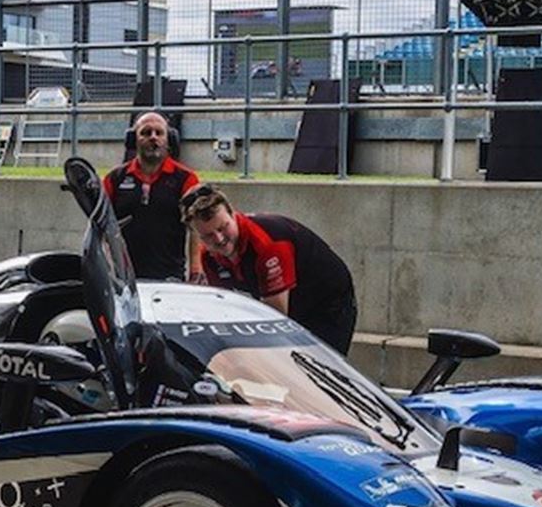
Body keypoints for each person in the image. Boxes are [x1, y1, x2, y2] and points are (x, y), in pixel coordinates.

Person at [180, 184, 357, 355]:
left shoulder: (266, 244)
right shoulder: (208, 257)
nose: (219, 239)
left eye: (223, 227)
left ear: (233, 214)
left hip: (327, 303)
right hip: (287, 300)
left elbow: (275, 319)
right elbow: (224, 310)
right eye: (208, 236)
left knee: (317, 370)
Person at [102, 111, 203, 281]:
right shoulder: (114, 178)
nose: (153, 137)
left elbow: (196, 229)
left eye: (159, 133)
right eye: (146, 133)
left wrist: (196, 268)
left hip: (170, 276)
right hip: (124, 277)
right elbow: (102, 227)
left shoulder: (186, 179)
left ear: (169, 139)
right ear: (133, 139)